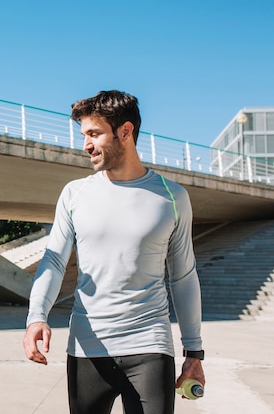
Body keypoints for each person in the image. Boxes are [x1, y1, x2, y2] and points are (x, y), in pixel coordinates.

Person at [22, 90, 205, 414]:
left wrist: (194, 352)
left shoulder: (172, 197)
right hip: (86, 349)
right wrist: (37, 315)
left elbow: (183, 276)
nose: (85, 145)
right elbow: (54, 260)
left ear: (125, 131)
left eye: (94, 134)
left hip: (150, 346)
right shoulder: (75, 194)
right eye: (84, 135)